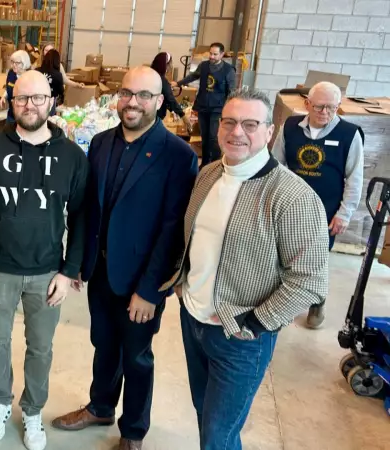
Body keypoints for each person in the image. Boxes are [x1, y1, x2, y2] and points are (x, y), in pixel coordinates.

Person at [162, 88, 328, 450]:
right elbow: (191, 236)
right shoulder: (208, 174)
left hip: (240, 337)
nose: (237, 132)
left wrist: (254, 323)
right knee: (205, 417)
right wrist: (181, 281)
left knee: (218, 435)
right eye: (229, 122)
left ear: (269, 132)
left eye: (250, 124)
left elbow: (310, 280)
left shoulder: (293, 196)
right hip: (194, 320)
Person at [52, 67, 198, 450]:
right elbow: (88, 209)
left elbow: (173, 231)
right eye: (126, 93)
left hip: (141, 279)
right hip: (101, 271)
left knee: (136, 357)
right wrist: (80, 262)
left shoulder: (178, 156)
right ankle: (101, 407)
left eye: (144, 95)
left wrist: (150, 291)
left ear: (159, 102)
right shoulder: (101, 142)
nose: (133, 102)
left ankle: (133, 431)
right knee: (104, 344)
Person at [0, 70, 89, 450]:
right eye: (21, 98)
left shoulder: (71, 157)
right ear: (11, 102)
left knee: (41, 347)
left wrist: (69, 271)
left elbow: (82, 217)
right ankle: (1, 403)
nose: (30, 105)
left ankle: (33, 411)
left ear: (52, 101)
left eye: (38, 98)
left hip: (47, 271)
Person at [271, 81, 364, 329]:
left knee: (317, 259)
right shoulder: (290, 127)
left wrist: (345, 213)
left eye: (332, 108)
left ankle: (317, 302)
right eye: (320, 107)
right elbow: (276, 164)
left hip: (327, 210)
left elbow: (355, 178)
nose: (325, 113)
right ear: (307, 104)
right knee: (283, 255)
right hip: (290, 206)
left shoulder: (349, 134)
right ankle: (281, 303)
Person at [173, 42, 236, 166]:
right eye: (210, 53)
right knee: (204, 136)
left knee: (213, 137)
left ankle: (216, 164)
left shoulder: (228, 70)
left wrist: (229, 110)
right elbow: (193, 76)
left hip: (218, 109)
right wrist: (178, 83)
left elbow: (232, 92)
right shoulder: (204, 66)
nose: (211, 56)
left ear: (222, 54)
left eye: (215, 54)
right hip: (202, 106)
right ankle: (205, 163)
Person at [151, 52, 191, 129]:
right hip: (155, 116)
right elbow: (170, 99)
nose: (171, 66)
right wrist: (183, 115)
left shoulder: (152, 75)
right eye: (170, 63)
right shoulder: (161, 80)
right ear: (164, 65)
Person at [0, 50, 32, 123]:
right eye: (12, 62)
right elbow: (8, 87)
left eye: (17, 63)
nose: (13, 65)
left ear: (24, 63)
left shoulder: (30, 76)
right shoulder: (11, 73)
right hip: (11, 114)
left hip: (24, 116)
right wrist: (4, 97)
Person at [36, 49, 64, 116]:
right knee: (49, 120)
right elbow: (61, 90)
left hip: (36, 100)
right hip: (50, 102)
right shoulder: (58, 75)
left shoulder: (37, 71)